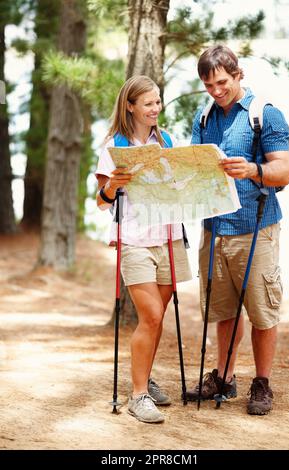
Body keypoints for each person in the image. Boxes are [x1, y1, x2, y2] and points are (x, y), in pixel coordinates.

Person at [186, 45, 289, 415]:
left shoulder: (265, 115)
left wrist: (252, 170)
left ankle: (262, 383)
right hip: (214, 229)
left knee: (262, 311)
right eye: (208, 85)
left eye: (221, 82)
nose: (216, 91)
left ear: (238, 74)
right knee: (225, 310)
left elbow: (284, 172)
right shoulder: (203, 119)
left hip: (257, 227)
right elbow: (196, 168)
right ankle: (224, 377)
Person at [95, 75, 192, 423]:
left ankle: (145, 378)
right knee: (149, 315)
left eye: (158, 101)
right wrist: (114, 187)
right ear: (131, 106)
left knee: (158, 317)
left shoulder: (166, 140)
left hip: (169, 236)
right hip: (135, 239)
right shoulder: (114, 145)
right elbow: (102, 202)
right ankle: (137, 397)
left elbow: (180, 187)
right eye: (149, 103)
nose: (156, 108)